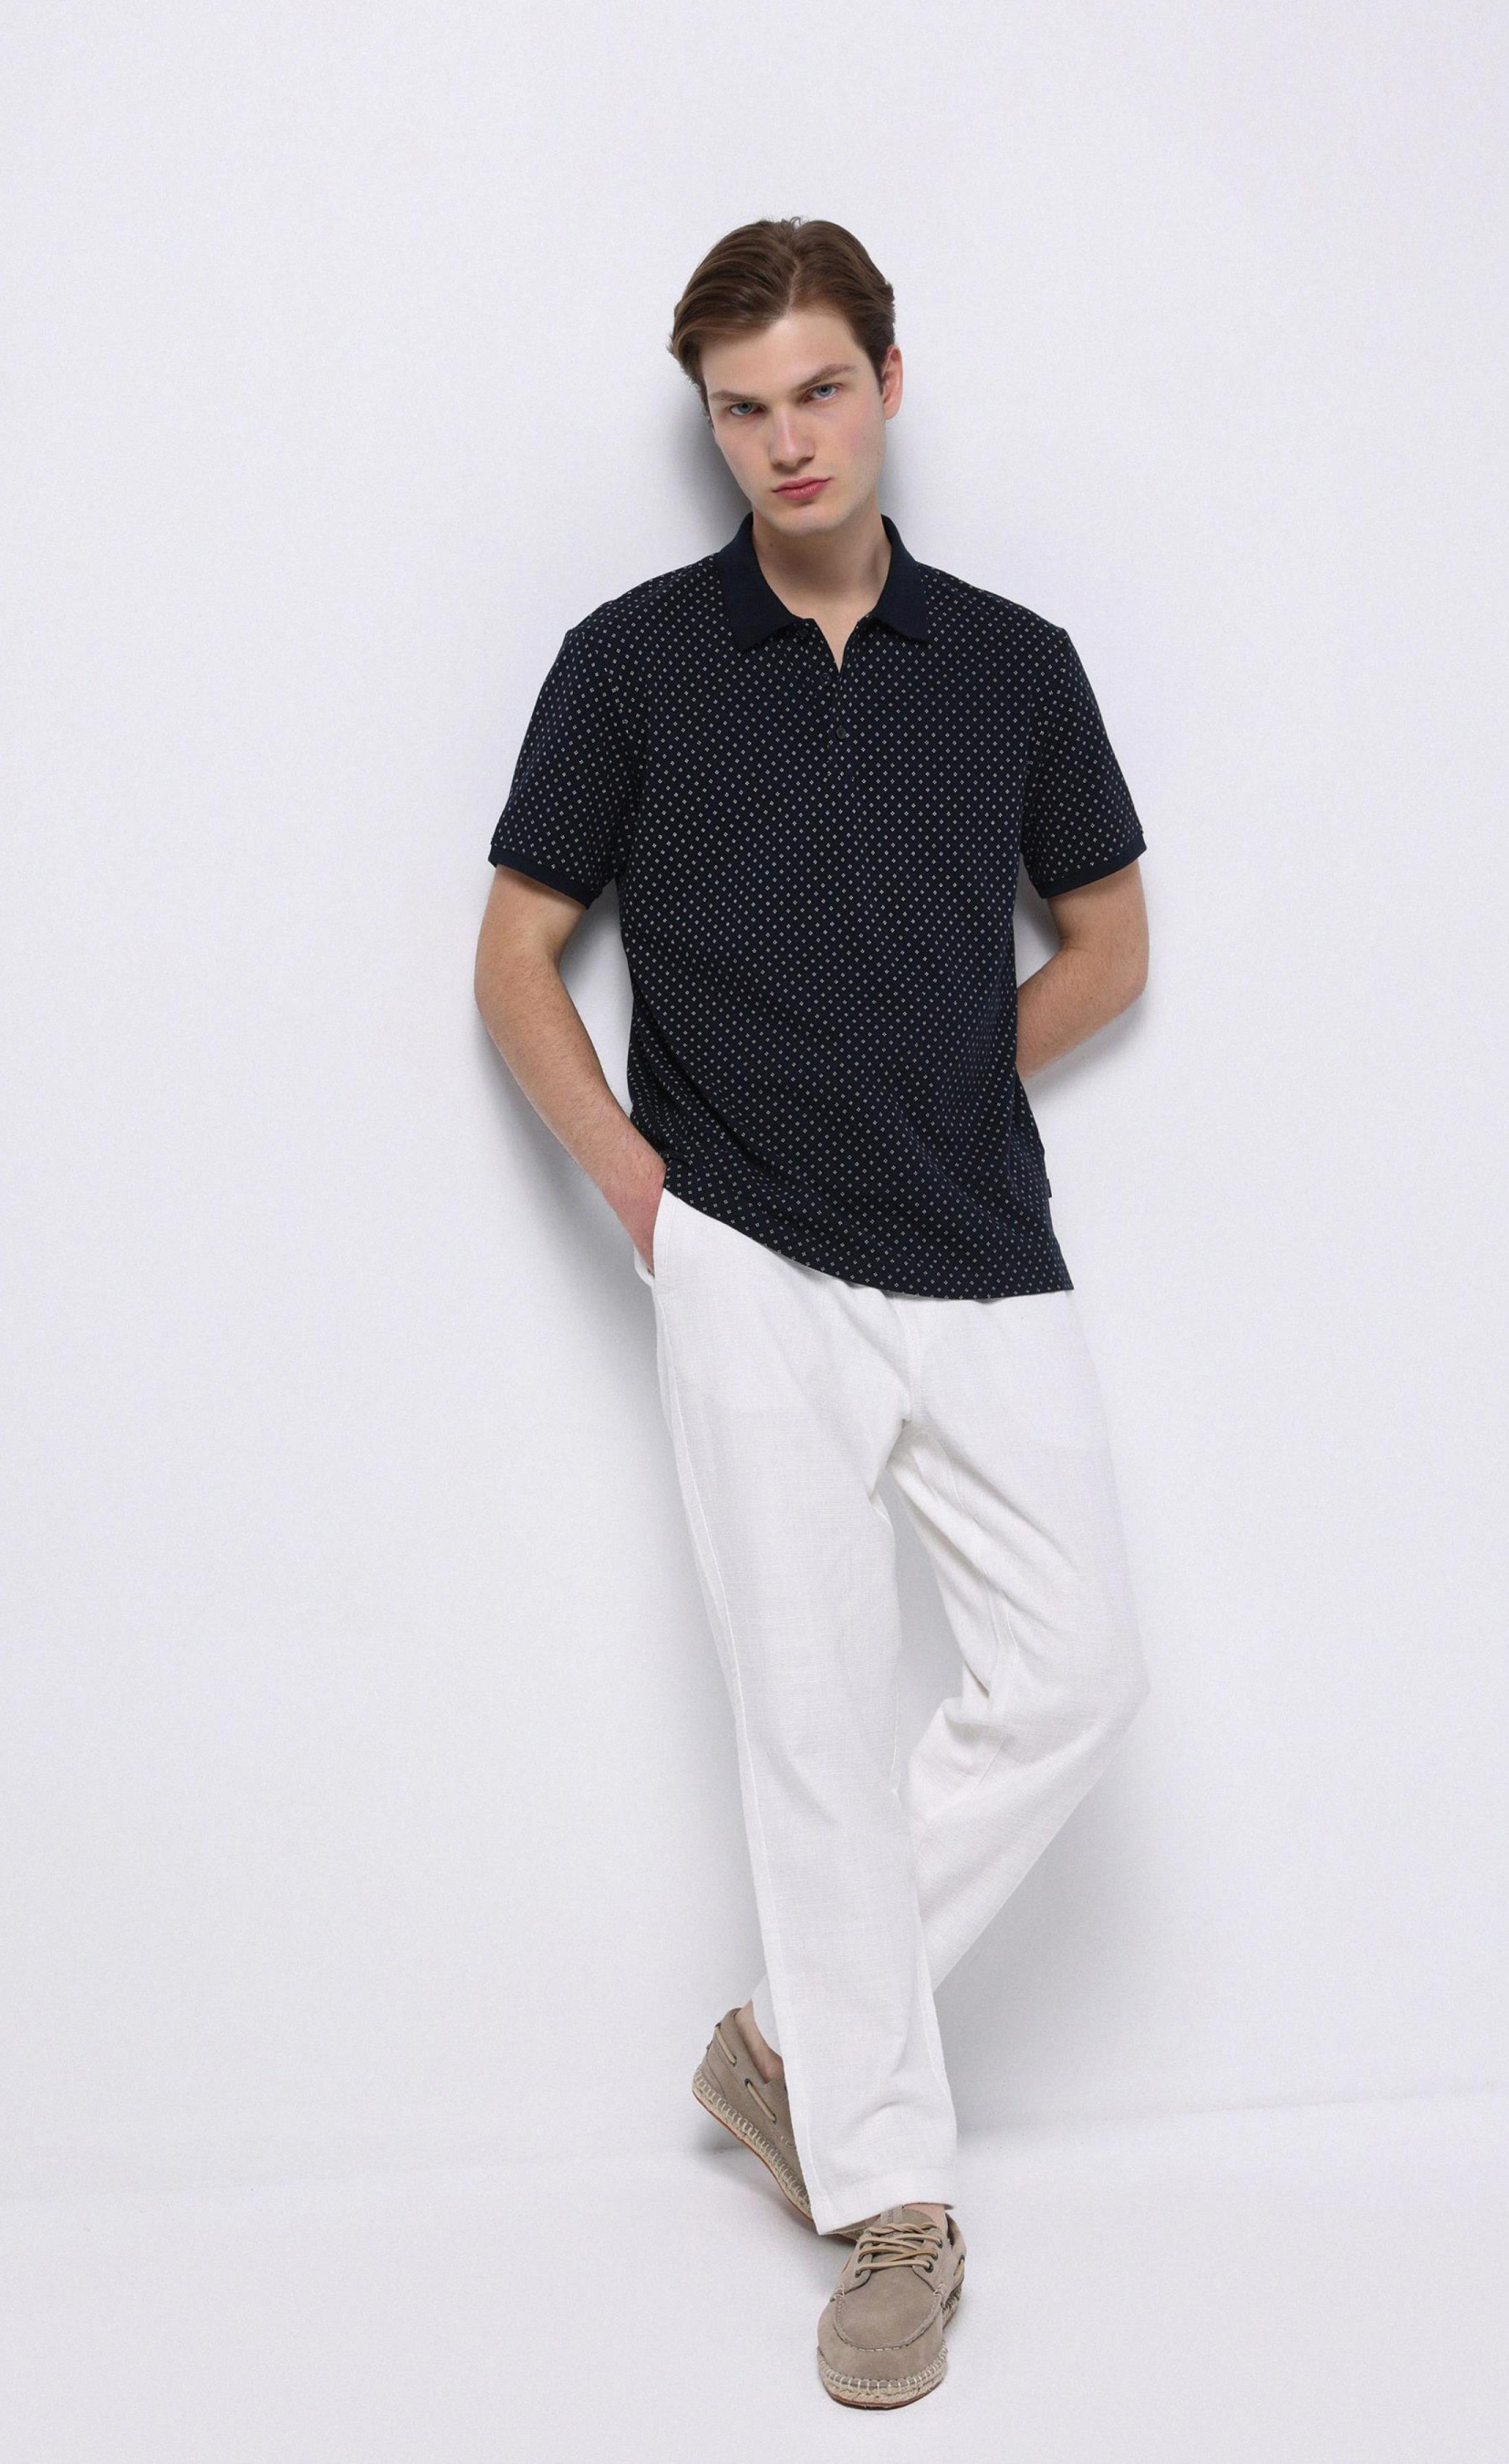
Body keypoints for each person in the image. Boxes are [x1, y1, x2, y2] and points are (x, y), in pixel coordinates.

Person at [474, 216, 1152, 2410]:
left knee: (1075, 1673)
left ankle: (786, 2042)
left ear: (886, 383)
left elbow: (1109, 942)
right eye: (742, 409)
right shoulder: (629, 665)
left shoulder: (1013, 665)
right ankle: (890, 2209)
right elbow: (512, 958)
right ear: (712, 424)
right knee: (812, 1724)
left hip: (971, 1234)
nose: (785, 441)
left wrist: (944, 1075)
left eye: (818, 391)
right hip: (743, 1249)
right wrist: (641, 1192)